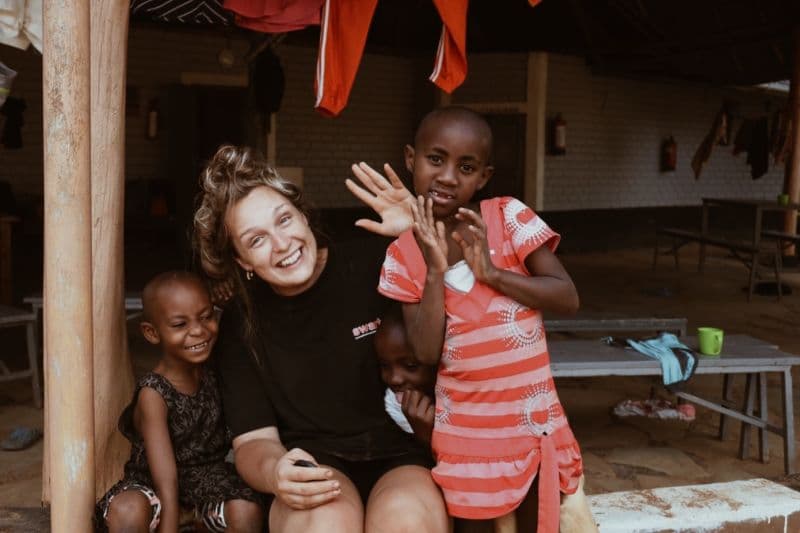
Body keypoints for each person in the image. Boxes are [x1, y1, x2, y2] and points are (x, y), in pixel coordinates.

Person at [192, 145, 449, 533]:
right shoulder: (241, 323)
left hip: (404, 452)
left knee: (405, 522)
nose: (281, 244)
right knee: (324, 525)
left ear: (303, 216)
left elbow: (467, 319)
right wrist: (277, 472)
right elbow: (253, 440)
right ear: (242, 261)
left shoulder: (379, 262)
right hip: (313, 462)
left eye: (284, 220)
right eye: (256, 240)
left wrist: (420, 240)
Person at [377, 106, 597, 533]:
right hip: (467, 439)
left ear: (484, 176)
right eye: (435, 159)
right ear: (410, 158)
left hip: (535, 431)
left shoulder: (508, 219)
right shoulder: (404, 254)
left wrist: (493, 275)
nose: (447, 177)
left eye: (466, 167)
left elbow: (566, 296)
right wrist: (435, 268)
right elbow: (425, 349)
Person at [94, 271, 263, 533]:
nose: (198, 330)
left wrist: (230, 297)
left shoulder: (216, 367)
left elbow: (243, 320)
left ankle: (196, 521)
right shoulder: (154, 393)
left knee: (246, 509)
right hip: (155, 486)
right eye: (179, 324)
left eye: (206, 316)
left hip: (208, 480)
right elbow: (166, 480)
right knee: (128, 511)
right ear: (151, 333)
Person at [375, 304, 437, 445]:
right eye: (385, 365)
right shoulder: (395, 405)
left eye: (410, 366)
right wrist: (423, 434)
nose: (394, 379)